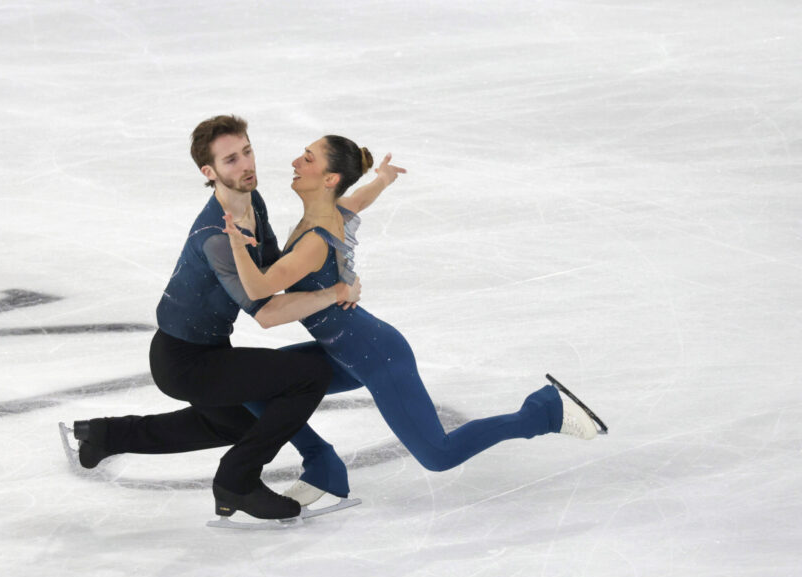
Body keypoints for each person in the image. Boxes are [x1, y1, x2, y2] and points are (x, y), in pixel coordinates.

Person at [64, 116, 398, 521]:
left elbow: (277, 266)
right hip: (184, 361)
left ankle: (104, 435)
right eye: (230, 160)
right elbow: (267, 313)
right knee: (309, 373)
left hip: (207, 350)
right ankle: (236, 482)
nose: (245, 165)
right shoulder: (218, 238)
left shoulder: (252, 202)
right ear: (210, 172)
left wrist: (365, 198)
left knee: (238, 424)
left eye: (247, 151)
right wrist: (336, 292)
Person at [222, 135, 606, 486]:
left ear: (329, 179)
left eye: (307, 159)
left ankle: (543, 412)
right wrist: (384, 179)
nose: (295, 161)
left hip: (376, 355)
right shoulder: (331, 212)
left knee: (439, 455)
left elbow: (260, 289)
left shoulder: (314, 242)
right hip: (344, 352)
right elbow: (361, 198)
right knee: (252, 387)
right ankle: (320, 460)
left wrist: (236, 245)